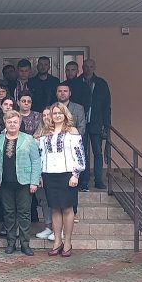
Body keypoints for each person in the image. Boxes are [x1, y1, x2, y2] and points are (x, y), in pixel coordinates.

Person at [38, 103, 86, 257]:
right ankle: (57, 241)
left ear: (65, 115)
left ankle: (68, 242)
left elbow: (79, 154)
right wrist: (40, 175)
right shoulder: (46, 132)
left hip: (67, 174)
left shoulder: (72, 132)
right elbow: (41, 155)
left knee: (67, 208)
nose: (57, 116)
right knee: (55, 208)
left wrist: (76, 174)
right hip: (49, 174)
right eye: (54, 113)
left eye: (60, 113)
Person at [0, 110, 41, 256]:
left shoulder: (28, 139)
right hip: (5, 182)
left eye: (15, 122)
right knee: (8, 213)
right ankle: (11, 243)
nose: (12, 124)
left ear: (20, 123)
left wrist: (34, 181)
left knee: (24, 213)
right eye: (9, 122)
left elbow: (36, 161)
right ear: (5, 123)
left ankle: (25, 244)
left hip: (24, 182)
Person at [75, 58, 111, 191]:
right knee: (82, 152)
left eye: (91, 66)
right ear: (82, 67)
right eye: (86, 66)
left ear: (94, 67)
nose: (88, 69)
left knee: (97, 152)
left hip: (96, 122)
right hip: (81, 123)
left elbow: (106, 105)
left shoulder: (101, 83)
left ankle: (98, 180)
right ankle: (83, 181)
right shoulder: (77, 83)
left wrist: (106, 124)